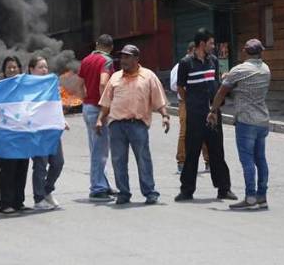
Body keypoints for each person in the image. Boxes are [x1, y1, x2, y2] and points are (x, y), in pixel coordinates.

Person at [96, 44, 170, 205]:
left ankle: (150, 192)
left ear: (137, 59)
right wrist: (99, 119)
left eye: (127, 57)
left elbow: (159, 99)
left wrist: (165, 116)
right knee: (118, 160)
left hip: (138, 124)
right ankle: (123, 193)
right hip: (116, 125)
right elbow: (106, 102)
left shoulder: (148, 76)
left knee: (143, 159)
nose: (123, 60)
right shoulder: (115, 77)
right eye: (122, 57)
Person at [209, 39, 272, 210]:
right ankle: (262, 197)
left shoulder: (239, 70)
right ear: (261, 52)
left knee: (247, 161)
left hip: (245, 120)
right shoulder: (266, 69)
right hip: (262, 120)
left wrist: (213, 110)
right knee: (261, 159)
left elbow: (222, 91)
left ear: (245, 52)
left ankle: (250, 197)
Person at [175, 29, 236, 202]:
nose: (212, 46)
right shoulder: (185, 63)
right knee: (192, 152)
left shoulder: (213, 61)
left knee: (217, 152)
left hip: (213, 113)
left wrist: (215, 107)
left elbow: (215, 83)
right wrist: (191, 103)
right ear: (201, 44)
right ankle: (186, 190)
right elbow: (180, 87)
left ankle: (224, 189)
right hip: (195, 116)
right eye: (210, 43)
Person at [79, 34, 116, 202]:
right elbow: (103, 83)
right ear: (110, 47)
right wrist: (104, 106)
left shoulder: (86, 60)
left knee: (96, 148)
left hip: (87, 107)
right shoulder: (107, 61)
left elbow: (79, 84)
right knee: (100, 151)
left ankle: (104, 183)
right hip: (97, 108)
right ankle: (97, 188)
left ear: (96, 44)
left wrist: (84, 99)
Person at [28, 56, 64, 210]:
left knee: (58, 162)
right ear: (31, 69)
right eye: (40, 67)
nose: (44, 70)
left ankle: (47, 190)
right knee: (40, 164)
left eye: (46, 67)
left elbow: (57, 106)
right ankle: (39, 198)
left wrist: (62, 120)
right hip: (37, 131)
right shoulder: (27, 87)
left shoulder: (51, 85)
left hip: (52, 130)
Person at [0, 56, 31, 215]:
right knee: (7, 170)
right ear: (4, 71)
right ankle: (5, 204)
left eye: (14, 67)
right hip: (7, 134)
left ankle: (19, 201)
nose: (12, 70)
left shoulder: (25, 87)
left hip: (23, 133)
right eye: (8, 67)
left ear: (19, 69)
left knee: (22, 168)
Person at [171, 42, 209, 174]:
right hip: (186, 103)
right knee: (185, 132)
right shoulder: (181, 65)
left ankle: (209, 162)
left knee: (205, 131)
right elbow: (175, 85)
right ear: (191, 51)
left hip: (201, 102)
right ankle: (181, 162)